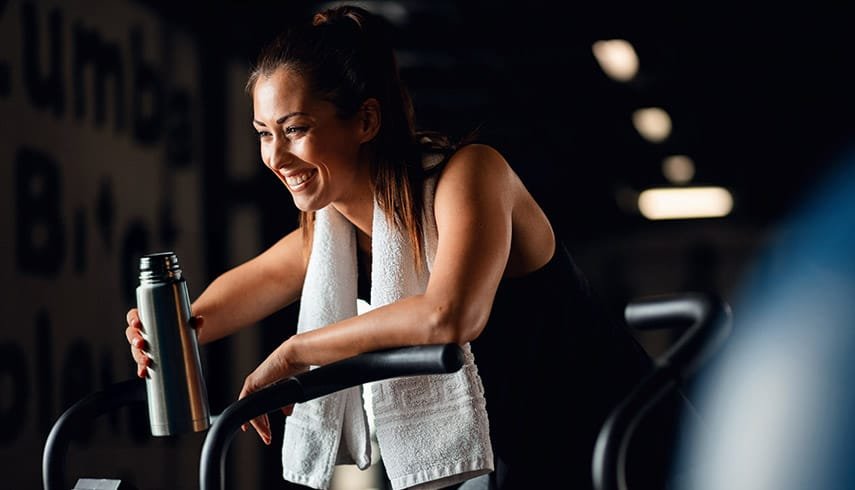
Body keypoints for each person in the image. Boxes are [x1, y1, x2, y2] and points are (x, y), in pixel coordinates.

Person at [125, 5, 652, 489]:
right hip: (531, 460)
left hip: (629, 439)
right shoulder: (328, 233)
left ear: (367, 121)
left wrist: (297, 350)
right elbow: (212, 314)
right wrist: (161, 331)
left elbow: (449, 317)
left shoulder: (470, 174)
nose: (277, 156)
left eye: (296, 129)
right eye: (265, 133)